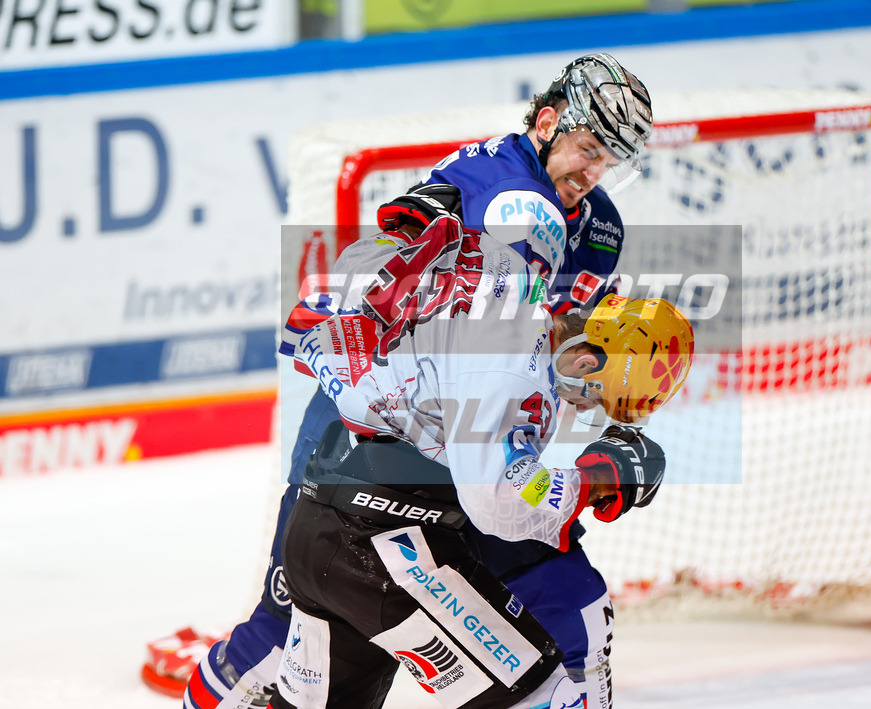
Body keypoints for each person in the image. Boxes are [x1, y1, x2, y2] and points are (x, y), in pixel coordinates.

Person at [162, 52, 654, 709]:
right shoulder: (495, 190)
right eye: (587, 148)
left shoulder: (591, 228)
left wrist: (602, 364)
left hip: (459, 454)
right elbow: (389, 297)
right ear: (546, 121)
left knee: (573, 601)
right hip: (381, 445)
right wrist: (596, 473)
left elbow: (554, 351)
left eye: (608, 160)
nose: (592, 173)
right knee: (280, 633)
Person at [267, 212, 692, 708]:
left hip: (318, 525)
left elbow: (355, 278)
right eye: (599, 396)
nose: (587, 409)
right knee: (551, 699)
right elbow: (498, 502)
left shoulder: (505, 291)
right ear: (586, 358)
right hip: (389, 552)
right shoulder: (520, 372)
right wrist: (595, 477)